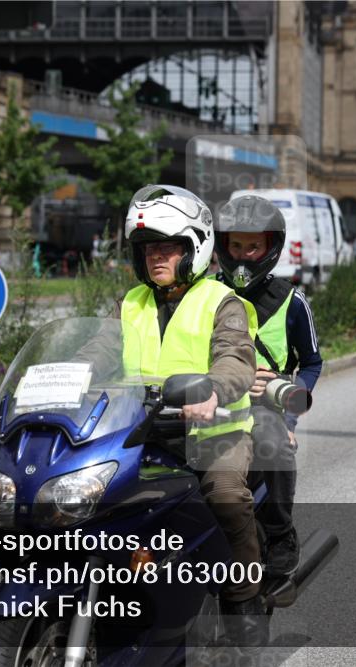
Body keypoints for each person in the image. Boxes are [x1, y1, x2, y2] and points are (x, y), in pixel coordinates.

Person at [119, 185, 266, 645]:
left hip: (215, 433)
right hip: (146, 433)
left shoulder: (223, 302)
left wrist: (215, 390)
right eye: (148, 249)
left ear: (195, 247)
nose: (156, 258)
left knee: (224, 494)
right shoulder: (132, 304)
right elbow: (94, 352)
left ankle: (244, 600)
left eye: (168, 247)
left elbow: (236, 358)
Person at [213, 194, 323, 579]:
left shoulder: (292, 302)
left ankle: (279, 534)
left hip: (264, 406)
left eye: (253, 246)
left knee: (274, 444)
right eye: (236, 246)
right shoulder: (204, 293)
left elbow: (311, 363)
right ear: (222, 246)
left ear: (270, 248)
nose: (243, 256)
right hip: (212, 398)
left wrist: (289, 408)